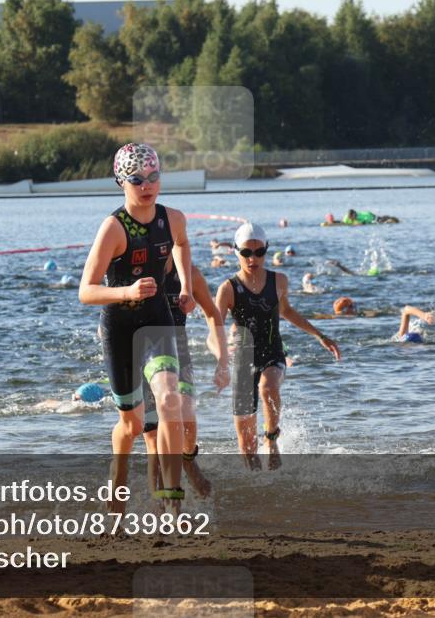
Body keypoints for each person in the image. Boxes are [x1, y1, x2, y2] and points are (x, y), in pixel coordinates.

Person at [79, 143, 195, 510]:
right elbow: (86, 291)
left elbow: (181, 244)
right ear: (120, 182)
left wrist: (187, 287)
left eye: (154, 177)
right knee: (131, 425)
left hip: (157, 319)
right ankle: (118, 479)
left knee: (168, 400)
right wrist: (126, 290)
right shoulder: (113, 228)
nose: (147, 185)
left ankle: (171, 498)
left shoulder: (173, 218)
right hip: (121, 328)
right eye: (137, 179)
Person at [215, 223, 341, 471]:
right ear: (236, 252)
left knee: (268, 386)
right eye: (246, 253)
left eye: (259, 252)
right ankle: (257, 491)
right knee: (246, 447)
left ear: (266, 250)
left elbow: (287, 311)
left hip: (272, 352)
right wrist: (220, 359)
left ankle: (272, 439)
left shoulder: (279, 280)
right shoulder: (228, 289)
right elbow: (215, 327)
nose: (253, 259)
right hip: (243, 360)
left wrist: (319, 336)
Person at [142, 263, 230, 499]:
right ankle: (161, 509)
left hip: (178, 351)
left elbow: (212, 313)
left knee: (187, 421)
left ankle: (188, 459)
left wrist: (223, 360)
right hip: (142, 350)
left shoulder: (190, 275)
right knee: (153, 438)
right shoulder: (138, 268)